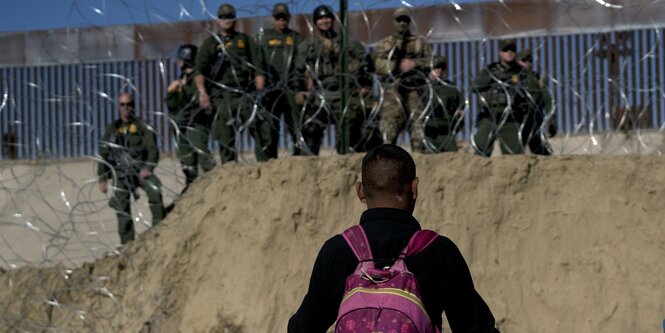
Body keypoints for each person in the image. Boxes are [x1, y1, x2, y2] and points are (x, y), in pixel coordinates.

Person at [288, 144, 500, 333]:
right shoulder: (439, 251)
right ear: (414, 188)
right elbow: (476, 327)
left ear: (361, 191)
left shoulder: (336, 250)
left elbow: (304, 328)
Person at [295, 5, 373, 155]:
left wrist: (364, 85)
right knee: (311, 132)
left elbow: (366, 65)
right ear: (316, 22)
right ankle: (310, 169)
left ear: (333, 19)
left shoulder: (349, 43)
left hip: (345, 94)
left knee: (348, 135)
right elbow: (297, 72)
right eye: (321, 18)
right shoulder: (308, 46)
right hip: (320, 94)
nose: (325, 21)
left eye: (327, 17)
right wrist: (300, 91)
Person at [194, 3, 267, 163]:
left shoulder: (245, 40)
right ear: (218, 20)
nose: (227, 20)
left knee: (260, 128)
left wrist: (259, 93)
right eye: (223, 17)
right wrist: (203, 93)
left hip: (244, 93)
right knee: (225, 137)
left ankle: (266, 165)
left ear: (235, 20)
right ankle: (230, 173)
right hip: (222, 97)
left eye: (230, 17)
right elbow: (199, 70)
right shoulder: (210, 44)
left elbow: (258, 67)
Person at [97, 93, 165, 245]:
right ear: (118, 107)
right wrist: (102, 178)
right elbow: (103, 153)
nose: (126, 108)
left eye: (129, 104)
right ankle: (127, 245)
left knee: (155, 189)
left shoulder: (143, 126)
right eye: (122, 105)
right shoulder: (112, 129)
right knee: (121, 209)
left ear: (134, 106)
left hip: (140, 170)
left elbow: (153, 149)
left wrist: (148, 168)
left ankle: (160, 232)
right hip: (121, 174)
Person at [373, 8, 433, 152]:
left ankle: (418, 164)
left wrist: (414, 64)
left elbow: (431, 62)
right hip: (393, 92)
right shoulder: (386, 44)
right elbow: (377, 64)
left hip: (415, 90)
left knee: (418, 130)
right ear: (394, 22)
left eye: (405, 20)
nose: (402, 23)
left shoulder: (419, 43)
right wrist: (394, 64)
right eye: (399, 20)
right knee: (389, 129)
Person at [472, 39, 540, 157]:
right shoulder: (491, 69)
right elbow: (475, 87)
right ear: (499, 53)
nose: (509, 52)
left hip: (512, 117)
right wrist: (493, 77)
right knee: (480, 150)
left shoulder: (522, 72)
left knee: (513, 156)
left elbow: (535, 93)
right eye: (505, 50)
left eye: (512, 50)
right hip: (490, 116)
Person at [256, 3, 305, 157]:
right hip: (272, 89)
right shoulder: (264, 37)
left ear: (288, 18)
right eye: (278, 18)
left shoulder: (296, 38)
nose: (281, 21)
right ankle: (271, 159)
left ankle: (298, 156)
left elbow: (305, 64)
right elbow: (257, 61)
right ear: (273, 19)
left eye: (284, 18)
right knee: (271, 127)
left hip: (291, 87)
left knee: (296, 125)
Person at [167, 44, 216, 189]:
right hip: (181, 126)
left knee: (203, 157)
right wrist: (171, 92)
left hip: (196, 123)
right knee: (187, 161)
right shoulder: (183, 78)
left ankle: (216, 185)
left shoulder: (198, 79)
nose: (179, 62)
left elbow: (193, 104)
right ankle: (192, 188)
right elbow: (173, 106)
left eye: (181, 59)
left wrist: (180, 89)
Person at [516, 48, 556, 155]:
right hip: (518, 121)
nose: (527, 63)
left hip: (534, 120)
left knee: (539, 148)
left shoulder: (536, 78)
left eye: (530, 60)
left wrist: (551, 119)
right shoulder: (513, 78)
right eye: (524, 60)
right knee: (516, 150)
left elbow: (547, 99)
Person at [422, 56, 465, 152]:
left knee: (451, 158)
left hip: (445, 131)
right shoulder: (421, 87)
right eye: (436, 67)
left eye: (441, 67)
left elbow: (461, 107)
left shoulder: (450, 88)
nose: (439, 70)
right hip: (427, 131)